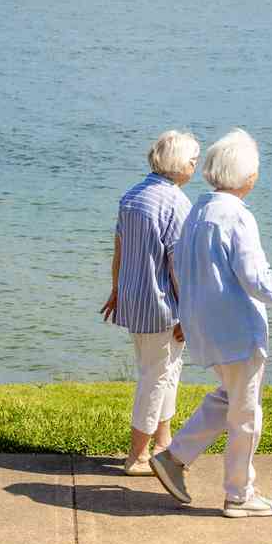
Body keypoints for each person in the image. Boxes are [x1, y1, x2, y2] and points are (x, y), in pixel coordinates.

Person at [147, 129, 272, 519]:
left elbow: (181, 266)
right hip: (235, 329)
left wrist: (188, 315)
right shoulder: (237, 216)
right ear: (245, 176)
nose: (257, 175)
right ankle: (239, 494)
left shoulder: (198, 210)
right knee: (247, 414)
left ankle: (174, 457)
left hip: (205, 325)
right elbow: (257, 280)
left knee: (229, 396)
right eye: (255, 169)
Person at [100, 130, 198, 475]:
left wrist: (116, 288)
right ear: (178, 164)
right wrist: (189, 312)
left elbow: (119, 248)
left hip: (134, 299)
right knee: (155, 378)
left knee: (166, 370)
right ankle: (138, 456)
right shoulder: (177, 203)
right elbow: (179, 266)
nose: (195, 167)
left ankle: (163, 444)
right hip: (162, 306)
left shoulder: (132, 195)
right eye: (193, 161)